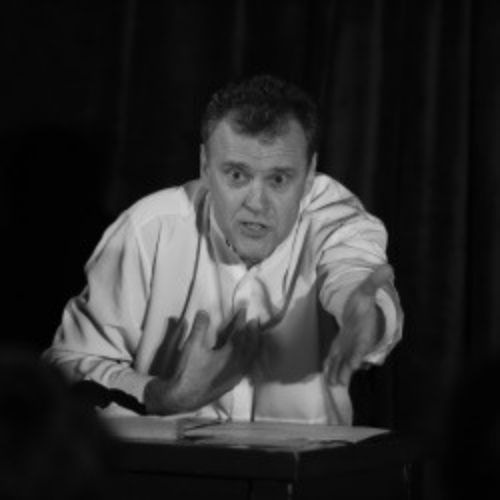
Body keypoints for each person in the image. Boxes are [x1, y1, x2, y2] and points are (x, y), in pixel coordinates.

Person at [44, 74, 403, 424]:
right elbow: (66, 365)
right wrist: (163, 396)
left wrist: (364, 318)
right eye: (236, 175)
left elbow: (353, 274)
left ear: (309, 175)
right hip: (166, 463)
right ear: (204, 166)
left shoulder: (338, 221)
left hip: (307, 464)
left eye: (278, 179)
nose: (257, 203)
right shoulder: (148, 230)